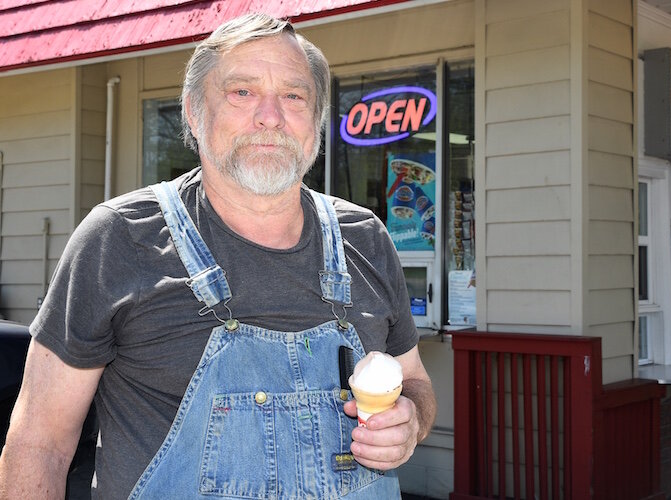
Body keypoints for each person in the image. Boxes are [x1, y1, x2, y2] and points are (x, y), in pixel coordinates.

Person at [0, 12, 436, 499]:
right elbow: (39, 442)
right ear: (193, 111)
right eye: (242, 92)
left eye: (294, 96)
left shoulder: (367, 238)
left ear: (315, 120)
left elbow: (414, 380)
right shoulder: (119, 239)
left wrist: (410, 421)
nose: (270, 115)